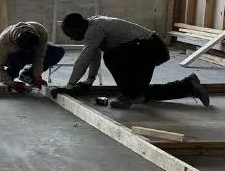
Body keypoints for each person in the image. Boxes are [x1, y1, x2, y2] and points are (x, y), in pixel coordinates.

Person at [60, 13, 210, 109]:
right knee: (139, 93)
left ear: (78, 28)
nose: (71, 38)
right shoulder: (92, 26)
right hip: (145, 49)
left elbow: (83, 59)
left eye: (71, 34)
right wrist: (89, 81)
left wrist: (69, 85)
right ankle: (189, 85)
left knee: (111, 57)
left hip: (150, 47)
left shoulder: (94, 29)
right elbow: (93, 56)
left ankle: (128, 95)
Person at [0, 21, 65, 92]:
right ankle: (9, 75)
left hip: (26, 51)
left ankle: (28, 75)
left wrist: (37, 76)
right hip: (13, 57)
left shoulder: (40, 31)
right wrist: (10, 83)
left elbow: (40, 56)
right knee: (19, 56)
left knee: (57, 52)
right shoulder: (3, 42)